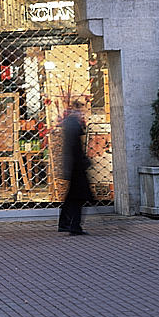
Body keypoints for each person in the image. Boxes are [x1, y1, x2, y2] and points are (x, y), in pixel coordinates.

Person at [57, 100, 92, 236]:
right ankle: (74, 225)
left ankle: (66, 223)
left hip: (74, 166)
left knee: (73, 196)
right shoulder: (73, 125)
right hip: (76, 167)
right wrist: (83, 162)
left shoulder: (70, 124)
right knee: (78, 197)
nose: (82, 113)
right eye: (81, 111)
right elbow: (75, 148)